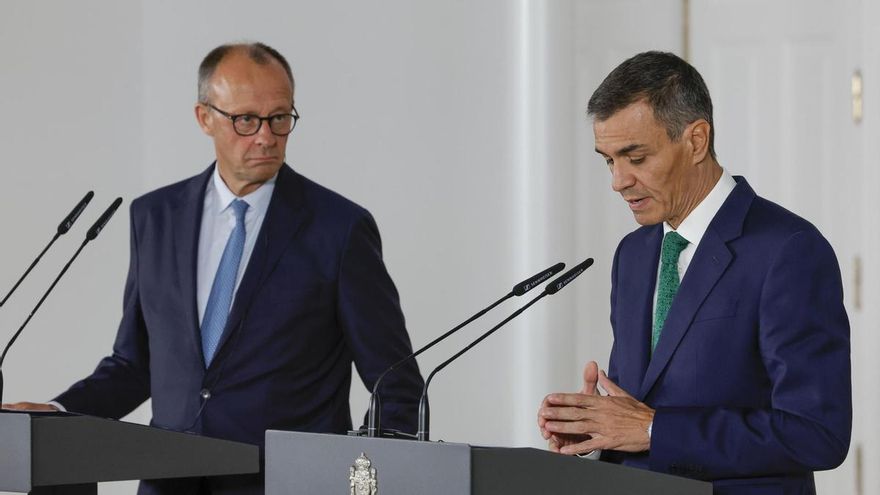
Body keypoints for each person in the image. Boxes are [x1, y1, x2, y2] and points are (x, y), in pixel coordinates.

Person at [3, 42, 424, 494]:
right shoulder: (155, 217)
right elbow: (135, 364)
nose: (265, 136)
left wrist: (359, 479)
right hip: (169, 483)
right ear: (205, 118)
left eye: (280, 118)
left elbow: (394, 385)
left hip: (284, 485)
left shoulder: (338, 229)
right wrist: (61, 415)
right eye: (246, 120)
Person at [537, 51, 851, 494]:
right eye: (608, 160)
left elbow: (817, 434)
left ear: (697, 140)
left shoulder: (789, 249)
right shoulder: (634, 253)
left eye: (636, 157)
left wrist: (653, 430)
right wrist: (596, 430)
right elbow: (643, 409)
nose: (618, 180)